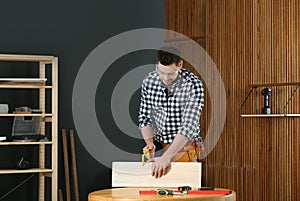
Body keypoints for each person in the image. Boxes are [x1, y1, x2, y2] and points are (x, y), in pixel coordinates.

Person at [138, 46, 205, 178]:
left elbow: (188, 126)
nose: (165, 78)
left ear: (180, 65)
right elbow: (144, 117)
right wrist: (149, 143)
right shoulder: (149, 81)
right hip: (159, 149)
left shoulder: (193, 85)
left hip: (184, 150)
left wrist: (167, 157)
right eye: (161, 72)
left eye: (170, 74)